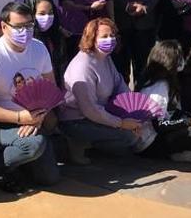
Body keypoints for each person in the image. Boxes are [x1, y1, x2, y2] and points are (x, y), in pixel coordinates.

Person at [0, 1, 61, 192]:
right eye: (19, 27)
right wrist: (20, 118)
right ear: (4, 27)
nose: (25, 31)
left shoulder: (39, 48)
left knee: (49, 178)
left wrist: (39, 116)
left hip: (32, 117)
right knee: (35, 145)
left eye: (29, 25)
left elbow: (49, 87)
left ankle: (17, 156)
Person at [59, 18, 151, 164]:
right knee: (128, 138)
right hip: (77, 120)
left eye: (112, 35)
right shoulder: (83, 67)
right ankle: (78, 143)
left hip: (100, 111)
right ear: (92, 38)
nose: (110, 39)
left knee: (141, 123)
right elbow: (90, 109)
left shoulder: (105, 57)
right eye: (104, 36)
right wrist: (121, 123)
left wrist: (133, 112)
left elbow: (119, 85)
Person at [136, 41, 191, 163]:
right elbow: (159, 125)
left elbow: (175, 112)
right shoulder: (159, 87)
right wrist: (190, 122)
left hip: (158, 135)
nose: (182, 60)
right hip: (149, 142)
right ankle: (171, 154)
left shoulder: (163, 81)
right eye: (179, 57)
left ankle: (177, 152)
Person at [30, 0, 70, 81]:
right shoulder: (29, 43)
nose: (47, 17)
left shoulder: (57, 37)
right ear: (32, 15)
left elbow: (63, 66)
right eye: (42, 14)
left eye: (50, 13)